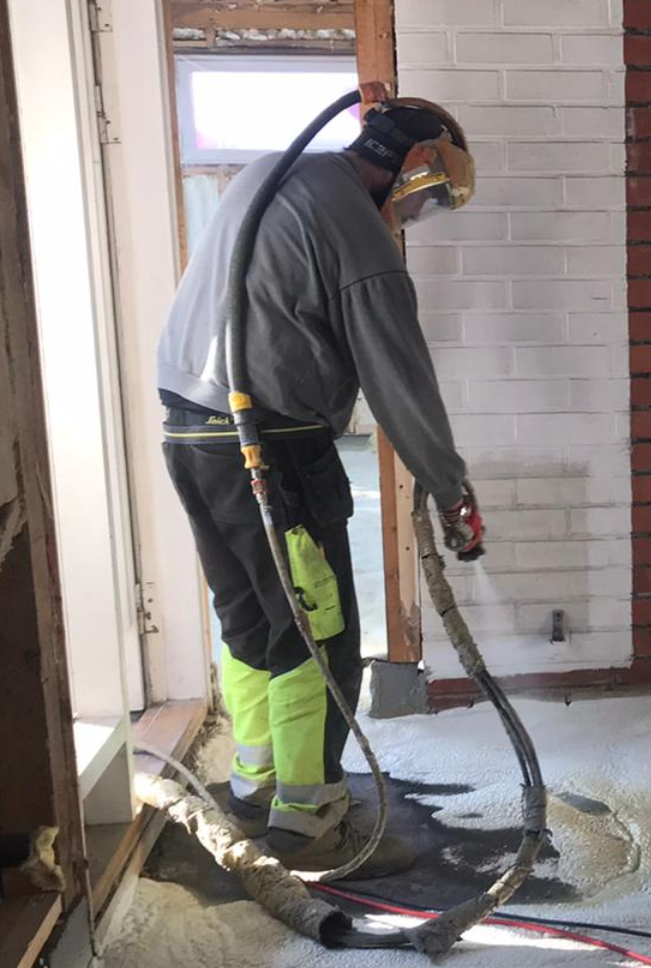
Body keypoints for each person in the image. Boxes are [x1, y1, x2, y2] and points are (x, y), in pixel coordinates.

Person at [155, 96, 485, 877]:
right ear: (415, 165)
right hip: (271, 449)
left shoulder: (273, 175)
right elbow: (398, 375)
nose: (417, 214)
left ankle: (256, 783)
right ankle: (309, 824)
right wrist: (450, 488)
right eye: (429, 195)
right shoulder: (355, 228)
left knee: (253, 619)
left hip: (191, 435)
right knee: (321, 634)